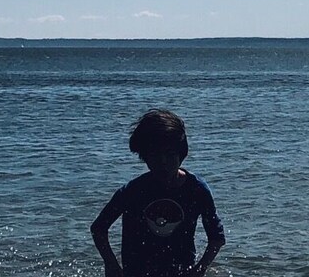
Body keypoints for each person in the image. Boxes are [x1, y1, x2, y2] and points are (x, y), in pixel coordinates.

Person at [92, 109, 227, 277]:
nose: (163, 162)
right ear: (145, 156)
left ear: (181, 154)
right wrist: (111, 264)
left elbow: (216, 238)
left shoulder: (196, 190)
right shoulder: (132, 191)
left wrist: (200, 268)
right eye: (155, 155)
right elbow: (99, 228)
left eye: (170, 154)